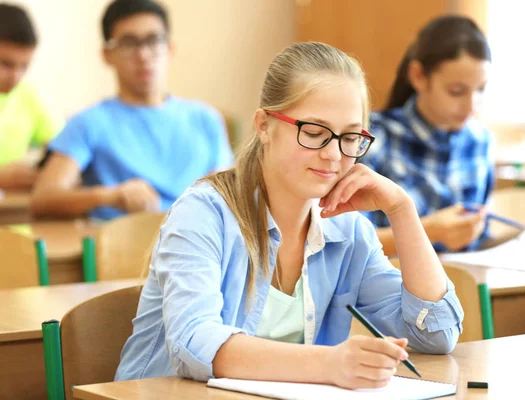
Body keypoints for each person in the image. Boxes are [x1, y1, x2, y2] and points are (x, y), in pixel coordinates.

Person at [115, 42, 463, 390]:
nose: (333, 154)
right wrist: (329, 363)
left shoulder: (348, 231)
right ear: (264, 126)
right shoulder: (204, 213)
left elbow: (437, 333)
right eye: (313, 133)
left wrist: (401, 210)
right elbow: (194, 343)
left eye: (351, 137)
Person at [32, 0, 233, 220]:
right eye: (129, 43)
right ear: (107, 54)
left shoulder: (206, 119)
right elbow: (44, 199)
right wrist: (110, 196)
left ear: (170, 48)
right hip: (122, 247)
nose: (143, 55)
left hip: (199, 243)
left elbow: (230, 190)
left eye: (153, 40)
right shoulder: (89, 123)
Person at [361, 15, 494, 253]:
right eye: (456, 91)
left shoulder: (480, 141)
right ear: (418, 76)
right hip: (394, 285)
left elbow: (481, 240)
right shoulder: (376, 139)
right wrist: (429, 231)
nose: (471, 106)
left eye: (481, 90)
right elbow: (350, 243)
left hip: (464, 284)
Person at [0, 3, 62, 190]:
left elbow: (64, 148)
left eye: (24, 66)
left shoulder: (28, 96)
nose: (16, 77)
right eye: (5, 64)